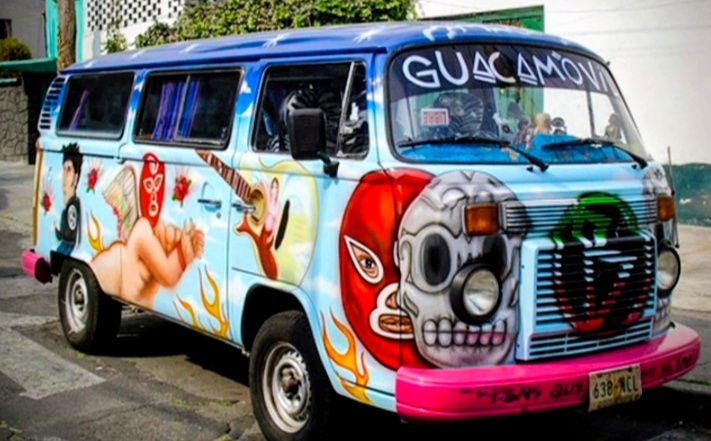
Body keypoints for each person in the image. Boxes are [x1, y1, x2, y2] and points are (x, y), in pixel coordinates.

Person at [56, 143, 82, 255]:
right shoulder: (68, 206)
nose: (65, 175)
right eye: (64, 169)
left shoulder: (72, 206)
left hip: (67, 248)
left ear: (76, 178)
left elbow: (70, 233)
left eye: (69, 170)